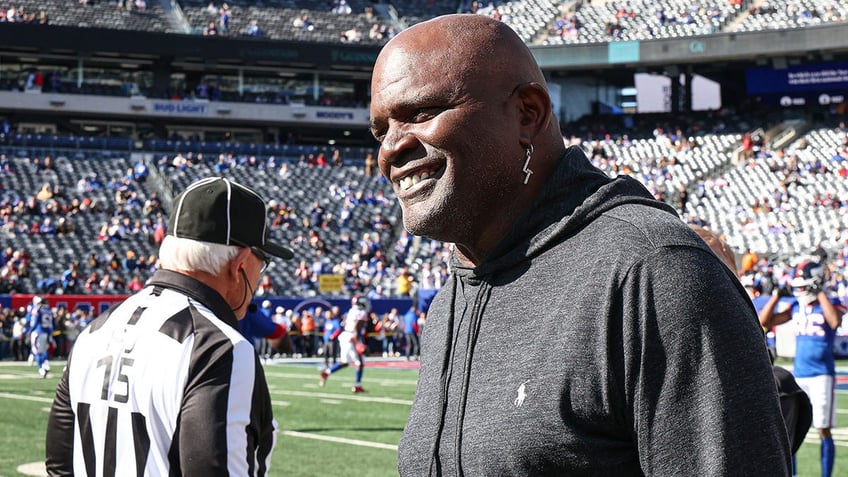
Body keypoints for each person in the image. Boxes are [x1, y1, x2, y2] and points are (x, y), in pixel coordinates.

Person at [369, 14, 792, 475]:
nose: (390, 149)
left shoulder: (653, 271)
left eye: (421, 113)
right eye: (380, 129)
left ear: (528, 113)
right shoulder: (454, 296)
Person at [45, 176, 294, 476]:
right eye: (262, 260)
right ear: (239, 263)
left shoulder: (95, 330)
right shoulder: (219, 349)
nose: (261, 276)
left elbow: (59, 466)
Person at [759, 258, 844, 477]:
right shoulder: (797, 306)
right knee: (792, 428)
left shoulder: (831, 303)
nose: (802, 290)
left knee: (823, 428)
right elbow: (764, 321)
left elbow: (834, 321)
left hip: (822, 374)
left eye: (805, 285)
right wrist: (777, 295)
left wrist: (821, 293)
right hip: (800, 373)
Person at [319, 296, 370, 393]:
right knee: (359, 362)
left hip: (345, 335)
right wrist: (357, 343)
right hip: (351, 337)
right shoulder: (361, 313)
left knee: (344, 362)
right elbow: (356, 329)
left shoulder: (351, 311)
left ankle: (326, 372)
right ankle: (357, 385)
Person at [26, 295, 54, 378]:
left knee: (36, 351)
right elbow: (53, 324)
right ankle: (45, 364)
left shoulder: (37, 310)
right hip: (47, 332)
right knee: (44, 350)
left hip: (38, 332)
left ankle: (41, 369)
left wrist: (29, 331)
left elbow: (35, 323)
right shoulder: (48, 310)